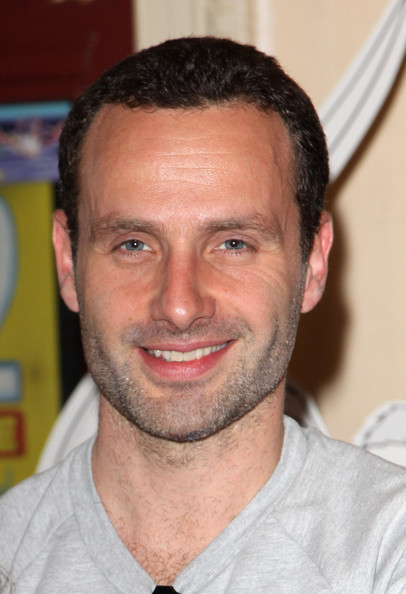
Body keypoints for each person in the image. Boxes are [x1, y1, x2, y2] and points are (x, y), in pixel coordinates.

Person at [0, 37, 405, 594]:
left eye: (233, 243)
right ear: (68, 263)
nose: (180, 305)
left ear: (312, 262)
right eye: (134, 245)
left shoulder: (388, 550)